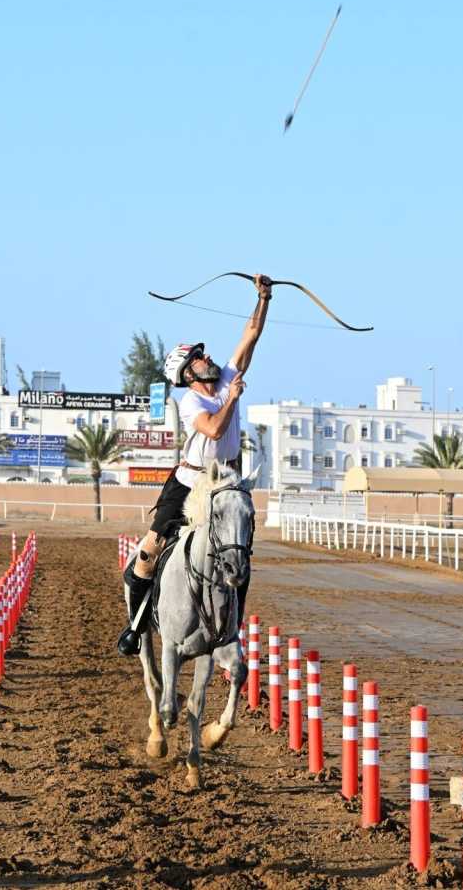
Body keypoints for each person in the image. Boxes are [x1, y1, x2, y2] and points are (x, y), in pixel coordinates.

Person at [118, 273, 272, 655]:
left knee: (239, 549)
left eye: (204, 354)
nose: (208, 358)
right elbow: (216, 432)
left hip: (225, 482)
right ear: (189, 374)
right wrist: (233, 398)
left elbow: (250, 334)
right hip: (188, 484)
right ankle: (135, 628)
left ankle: (231, 623)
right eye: (199, 358)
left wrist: (263, 298)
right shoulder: (192, 402)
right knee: (149, 552)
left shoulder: (226, 379)